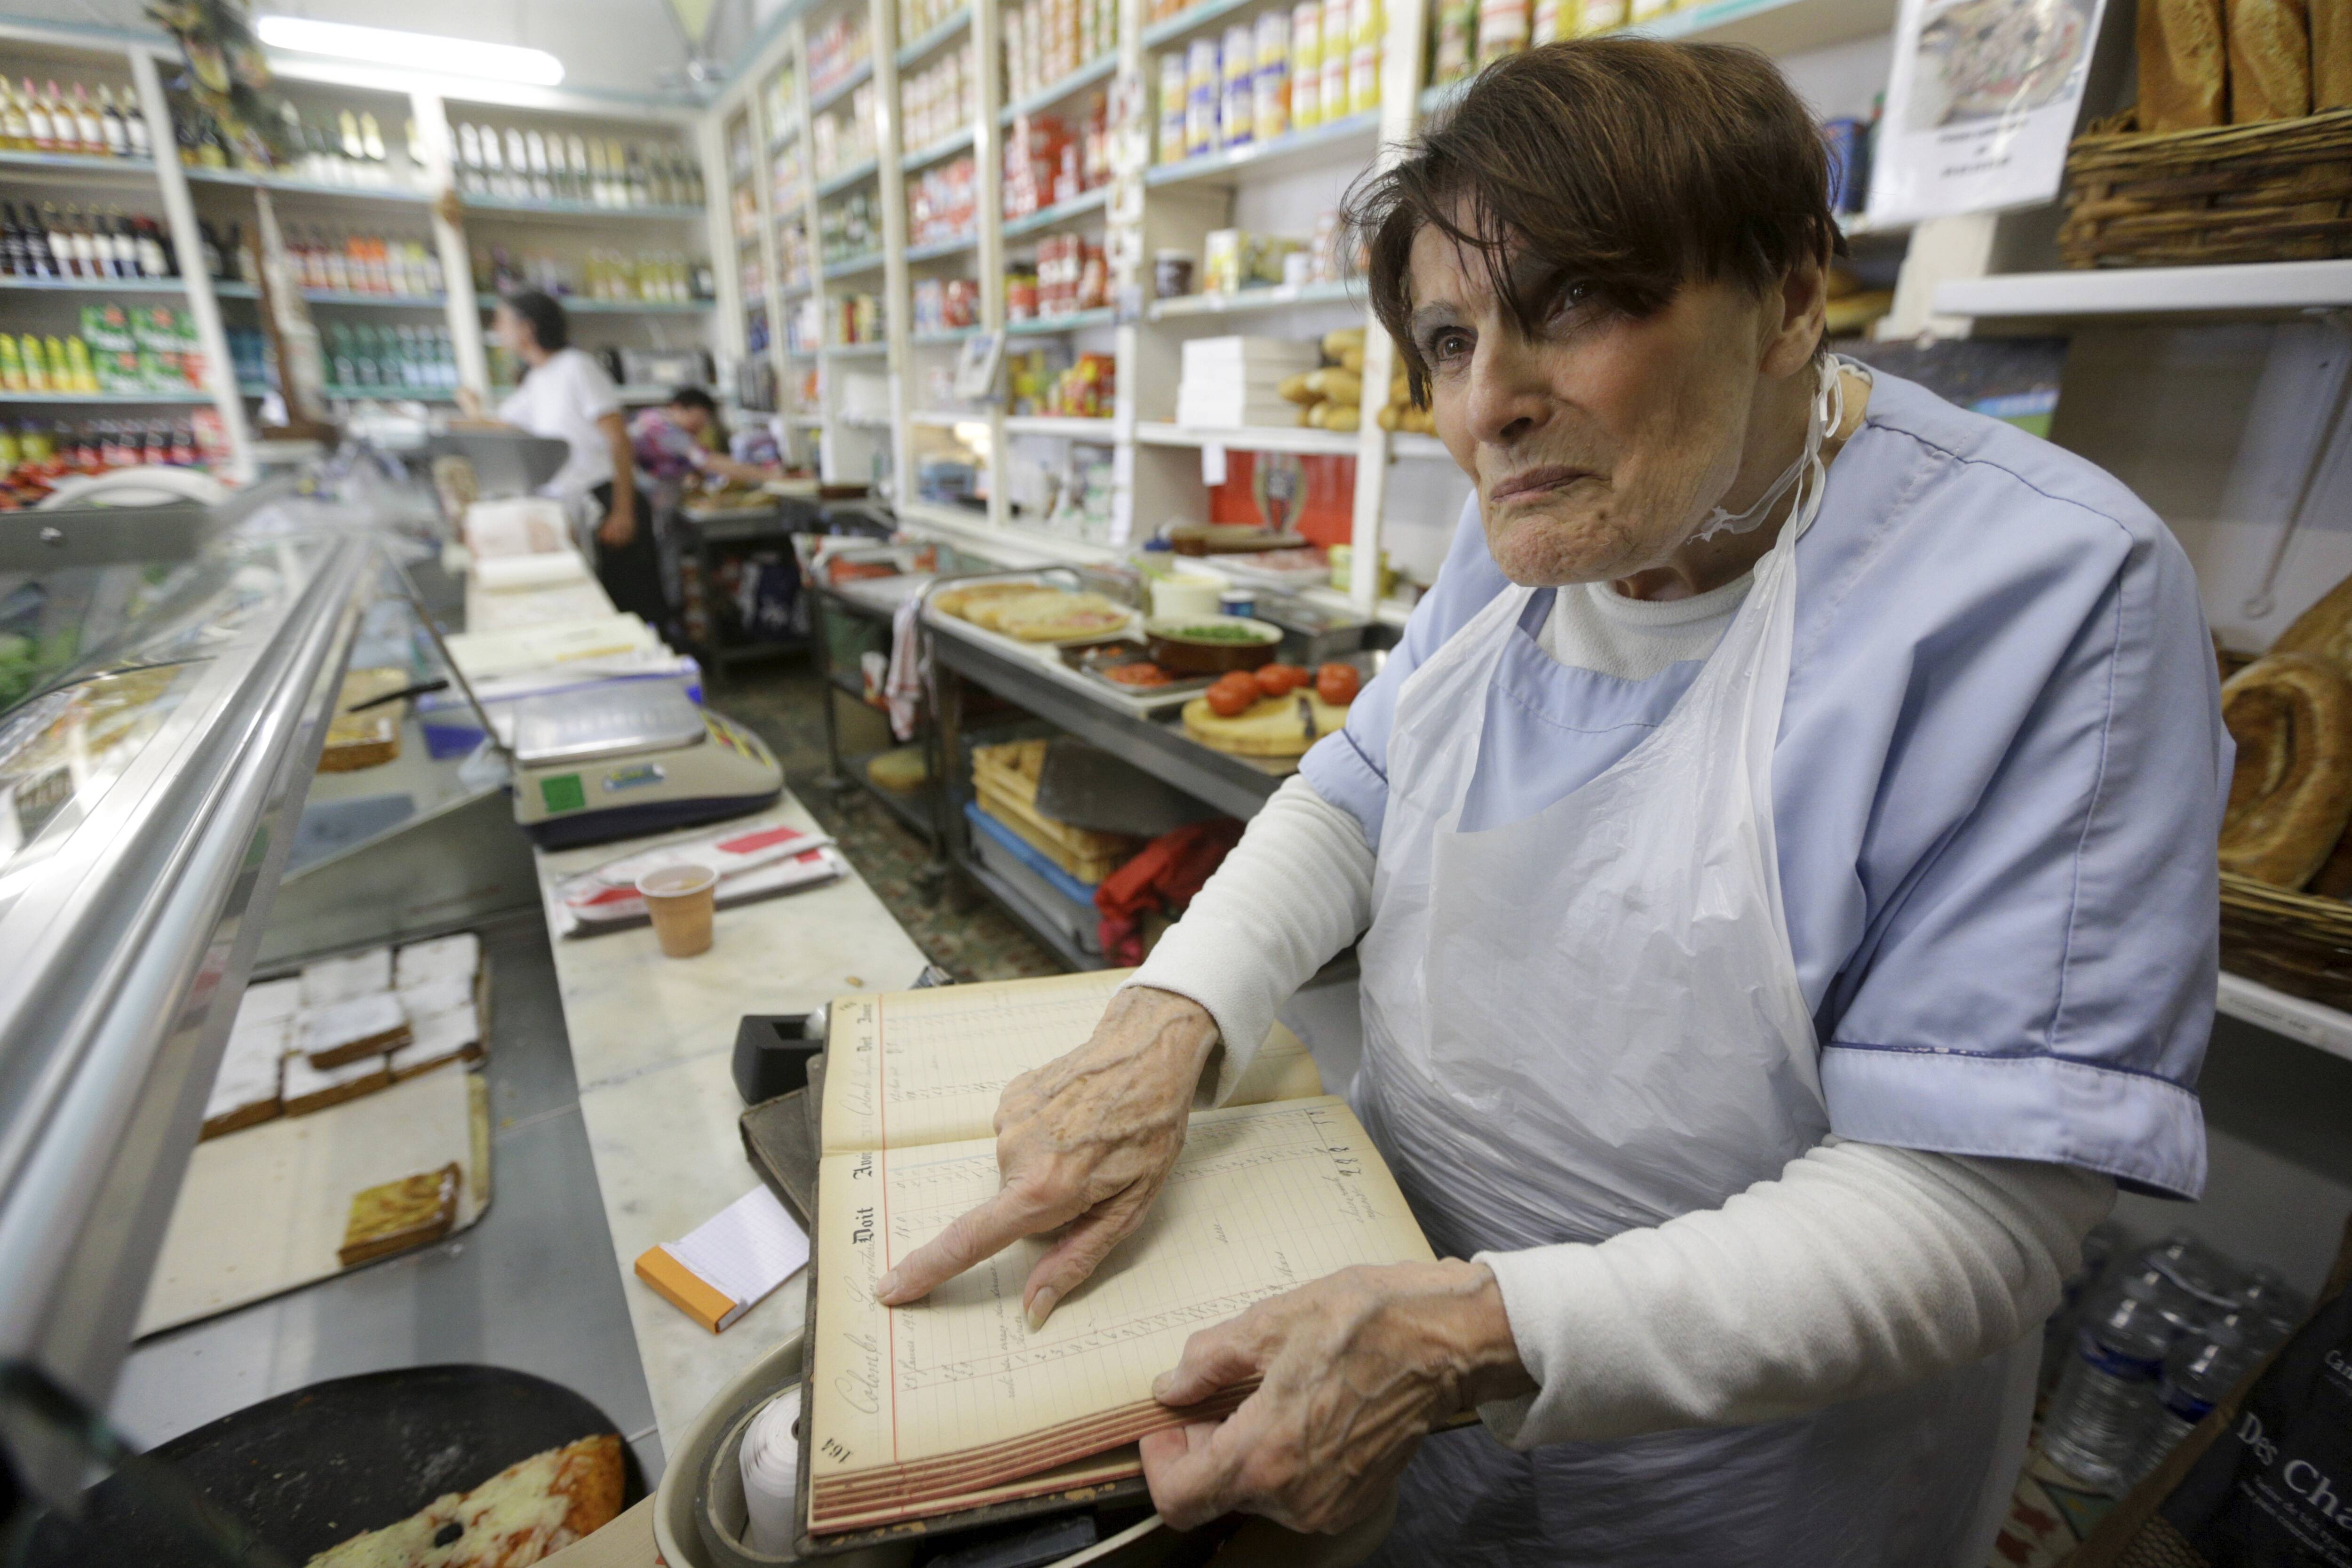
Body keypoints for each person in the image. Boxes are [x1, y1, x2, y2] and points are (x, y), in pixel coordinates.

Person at [874, 40, 2226, 1568]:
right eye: (1448, 341)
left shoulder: (2046, 598)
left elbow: (1972, 1214)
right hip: (1392, 1346)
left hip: (1745, 1480)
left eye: (1574, 301)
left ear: (1792, 295)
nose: (1488, 405)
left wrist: (1463, 1334)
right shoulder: (1543, 505)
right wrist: (1170, 1013)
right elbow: (1359, 790)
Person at [457, 290, 668, 632]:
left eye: (501, 321)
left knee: (632, 611)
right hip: (572, 512)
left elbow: (619, 439)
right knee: (600, 612)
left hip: (606, 500)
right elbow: (503, 428)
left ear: (527, 328)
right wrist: (470, 410)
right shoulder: (537, 379)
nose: (497, 330)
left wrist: (623, 510)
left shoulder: (577, 368)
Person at [629, 386, 776, 488]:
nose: (701, 426)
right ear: (678, 408)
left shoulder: (659, 421)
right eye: (699, 417)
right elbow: (708, 461)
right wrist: (768, 476)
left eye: (705, 420)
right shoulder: (659, 424)